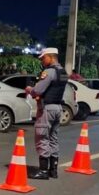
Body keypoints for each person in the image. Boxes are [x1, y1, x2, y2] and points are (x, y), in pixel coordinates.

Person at [25, 47, 68, 180]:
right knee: (53, 138)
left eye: (43, 58)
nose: (42, 60)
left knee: (42, 137)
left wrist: (29, 89)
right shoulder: (63, 72)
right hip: (58, 108)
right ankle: (53, 171)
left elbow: (38, 90)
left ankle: (43, 171)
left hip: (47, 109)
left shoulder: (49, 72)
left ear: (51, 57)